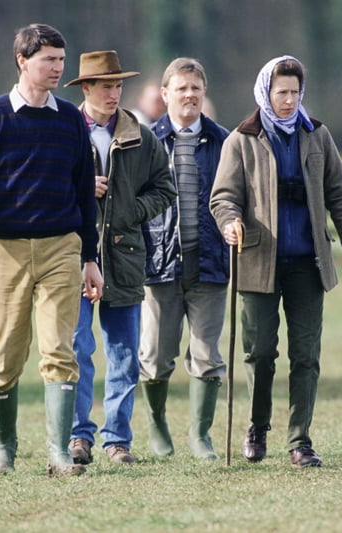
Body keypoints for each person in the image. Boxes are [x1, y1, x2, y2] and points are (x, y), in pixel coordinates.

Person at [0, 23, 103, 477]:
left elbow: (83, 193)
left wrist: (90, 257)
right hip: (6, 250)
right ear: (22, 61)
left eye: (61, 60)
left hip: (62, 246)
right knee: (6, 355)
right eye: (49, 60)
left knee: (60, 349)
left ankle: (58, 452)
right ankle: (5, 447)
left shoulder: (69, 120)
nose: (58, 68)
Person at [210, 55, 342, 468]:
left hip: (308, 264)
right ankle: (258, 426)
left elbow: (340, 194)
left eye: (295, 92)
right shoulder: (241, 139)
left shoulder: (317, 135)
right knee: (260, 353)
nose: (289, 100)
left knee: (306, 355)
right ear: (266, 91)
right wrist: (230, 222)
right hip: (258, 261)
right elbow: (222, 197)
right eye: (281, 92)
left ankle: (300, 441)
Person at [63, 51, 176, 465]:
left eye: (118, 85)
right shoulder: (63, 130)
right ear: (86, 88)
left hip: (126, 259)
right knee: (77, 350)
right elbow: (42, 187)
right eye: (105, 86)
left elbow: (165, 190)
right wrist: (77, 190)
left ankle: (117, 440)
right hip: (73, 257)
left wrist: (127, 208)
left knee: (125, 354)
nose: (114, 93)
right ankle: (78, 438)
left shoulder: (141, 135)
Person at [139, 57, 230, 460]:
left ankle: (199, 435)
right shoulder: (145, 142)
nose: (189, 94)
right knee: (156, 357)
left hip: (209, 263)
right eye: (181, 88)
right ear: (164, 95)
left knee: (207, 355)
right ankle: (157, 426)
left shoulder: (226, 142)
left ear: (204, 91)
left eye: (195, 87)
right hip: (159, 265)